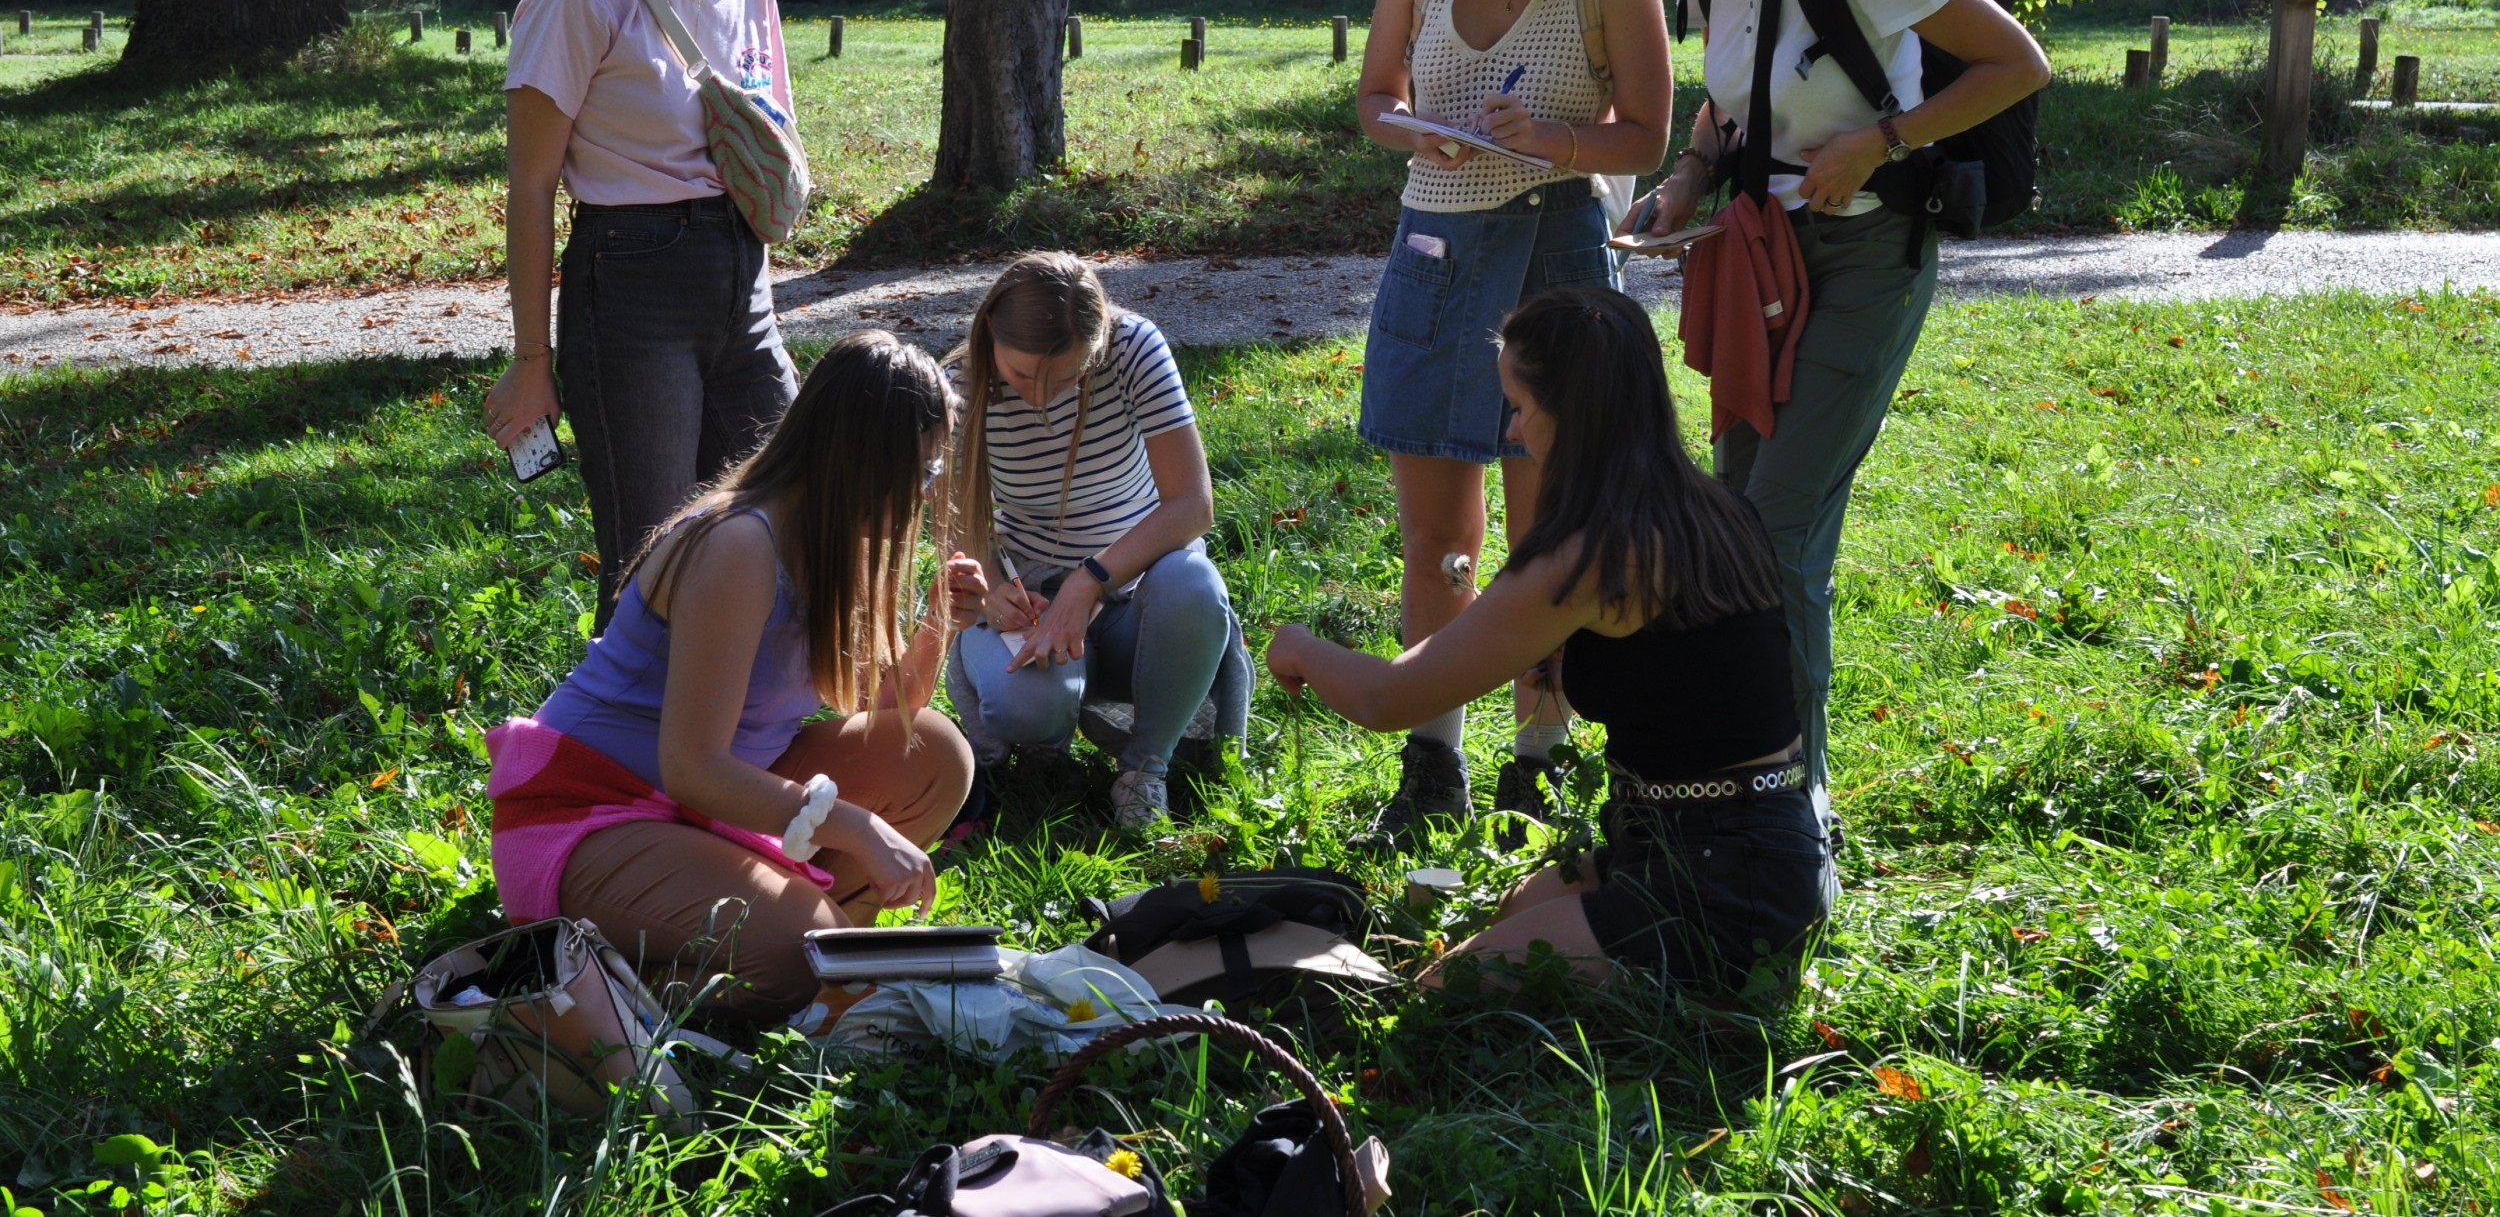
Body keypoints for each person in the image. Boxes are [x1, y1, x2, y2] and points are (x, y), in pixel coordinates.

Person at [1600, 0, 2050, 801]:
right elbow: (1728, 98)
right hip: (1760, 258)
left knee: (1773, 531)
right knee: (1730, 519)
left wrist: (1884, 142)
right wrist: (1686, 179)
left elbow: (2016, 63)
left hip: (1866, 260)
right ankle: (1731, 766)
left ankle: (1790, 799)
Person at [1269, 287, 1829, 990]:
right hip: (1749, 849)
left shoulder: (1592, 553)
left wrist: (1298, 647)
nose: (1511, 430)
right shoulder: (1710, 506)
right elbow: (1696, 671)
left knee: (1444, 988)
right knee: (1515, 909)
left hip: (1721, 884)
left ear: (1574, 418)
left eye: (1521, 406)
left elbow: (1391, 698)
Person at [1349, 0, 1673, 843]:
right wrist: (1415, 128)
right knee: (1437, 534)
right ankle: (1431, 755)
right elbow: (1375, 99)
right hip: (1435, 243)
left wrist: (1560, 139)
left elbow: (1648, 137)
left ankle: (1538, 755)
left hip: (1557, 254)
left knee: (1547, 534)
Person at [485, 331, 980, 1022]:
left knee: (933, 754)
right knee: (811, 956)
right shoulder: (739, 545)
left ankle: (786, 944)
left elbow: (895, 709)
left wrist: (939, 622)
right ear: (864, 461)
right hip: (589, 816)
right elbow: (691, 766)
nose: (925, 496)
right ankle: (576, 995)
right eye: (921, 474)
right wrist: (856, 825)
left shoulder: (840, 539)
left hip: (704, 818)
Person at [484, 0, 799, 631]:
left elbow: (763, 136)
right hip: (629, 287)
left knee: (784, 514)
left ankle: (742, 737)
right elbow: (532, 185)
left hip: (743, 276)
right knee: (652, 557)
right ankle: (630, 758)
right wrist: (532, 360)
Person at [942, 252, 1249, 831]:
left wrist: (1092, 579)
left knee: (1193, 583)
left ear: (1099, 342)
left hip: (1139, 590)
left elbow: (1193, 505)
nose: (1041, 398)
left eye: (1067, 378)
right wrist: (993, 587)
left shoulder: (1134, 347)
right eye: (1024, 376)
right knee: (1024, 707)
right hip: (1031, 595)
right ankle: (1043, 748)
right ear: (989, 335)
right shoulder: (959, 387)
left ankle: (1144, 768)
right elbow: (954, 520)